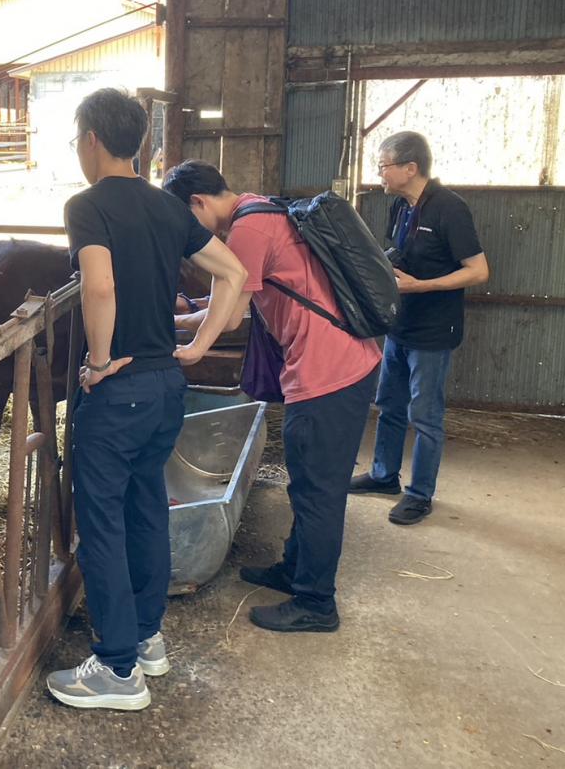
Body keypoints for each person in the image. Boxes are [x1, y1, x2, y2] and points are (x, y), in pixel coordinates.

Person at [46, 90, 247, 711]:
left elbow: (99, 286)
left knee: (102, 525)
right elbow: (234, 274)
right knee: (146, 511)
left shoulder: (87, 206)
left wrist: (99, 361)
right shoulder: (166, 206)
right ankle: (147, 639)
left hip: (121, 389)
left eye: (77, 140)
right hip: (166, 386)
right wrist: (199, 345)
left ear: (91, 140)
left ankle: (117, 670)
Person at [163, 160, 381, 633]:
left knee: (318, 491)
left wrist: (193, 345)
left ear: (197, 202)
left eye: (185, 220)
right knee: (306, 481)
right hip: (336, 363)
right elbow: (226, 301)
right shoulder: (258, 211)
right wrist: (179, 317)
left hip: (329, 372)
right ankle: (295, 569)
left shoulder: (249, 230)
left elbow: (231, 314)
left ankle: (316, 603)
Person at [349, 131, 489, 524]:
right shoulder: (401, 206)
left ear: (410, 168)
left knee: (425, 415)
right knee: (389, 405)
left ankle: (420, 494)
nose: (380, 173)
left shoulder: (450, 208)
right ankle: (384, 476)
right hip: (400, 324)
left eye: (383, 166)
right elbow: (399, 253)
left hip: (433, 330)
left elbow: (478, 271)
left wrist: (421, 285)